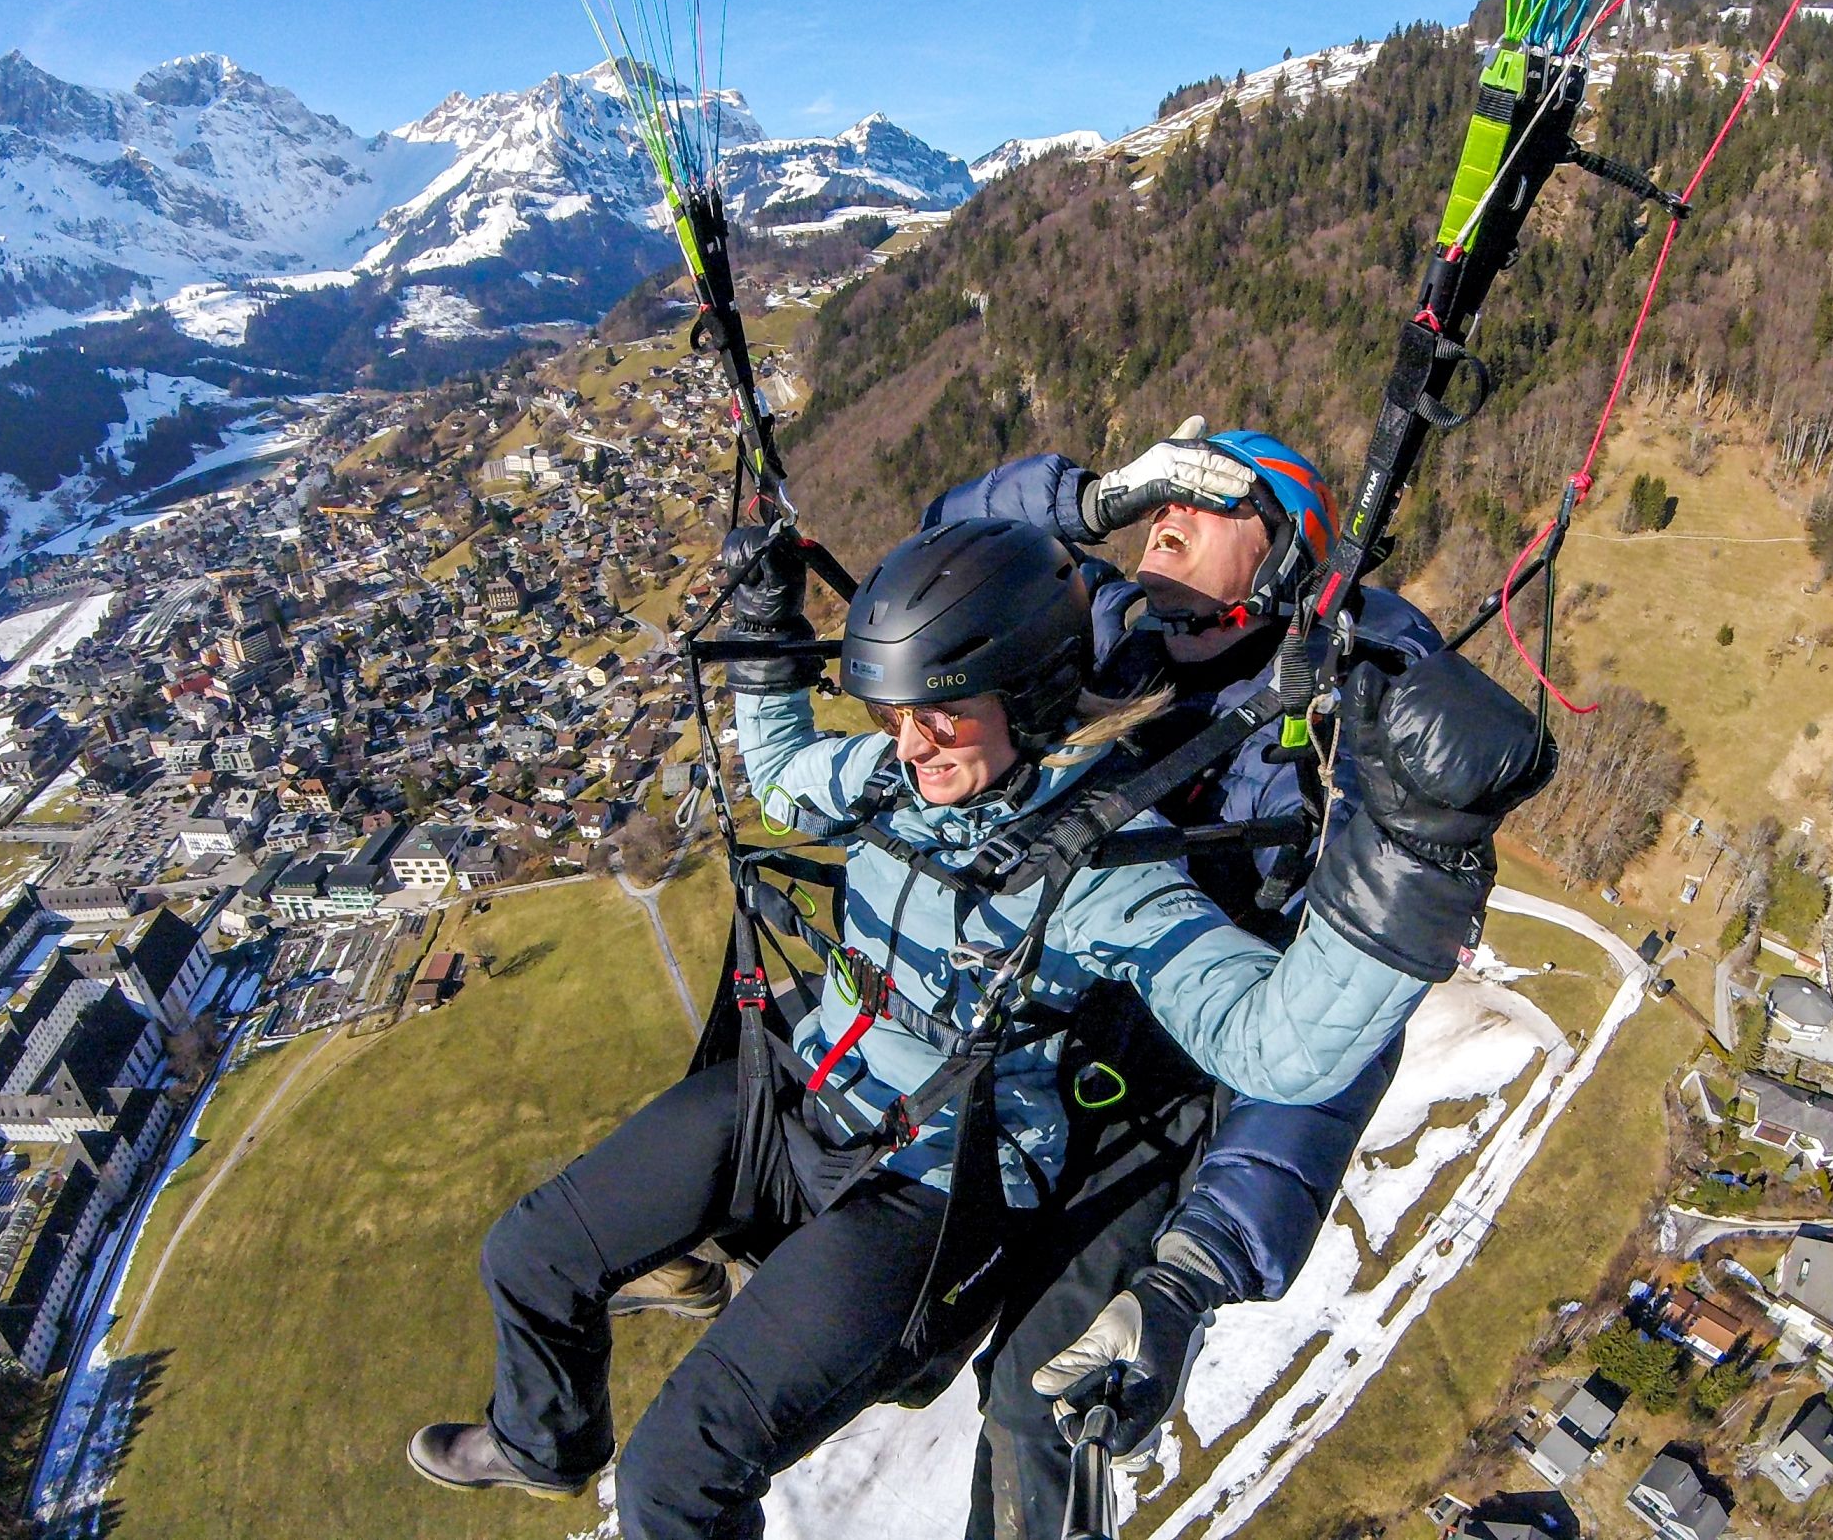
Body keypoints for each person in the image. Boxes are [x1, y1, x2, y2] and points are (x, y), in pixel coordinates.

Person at [407, 515, 1548, 1540]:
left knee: (672, 1483)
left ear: (1032, 695)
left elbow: (1275, 1046)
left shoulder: (1103, 871)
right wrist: (765, 635)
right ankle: (546, 1439)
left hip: (929, 1186)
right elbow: (793, 782)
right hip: (800, 1087)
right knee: (529, 1252)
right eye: (896, 715)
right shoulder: (903, 777)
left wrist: (1420, 852)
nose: (911, 743)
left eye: (941, 715)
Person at [926, 422, 1512, 1537]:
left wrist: (1191, 1271)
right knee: (933, 1341)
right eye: (1160, 500)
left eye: (1213, 502)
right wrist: (1090, 498)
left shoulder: (1328, 751)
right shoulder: (1098, 636)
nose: (1169, 517)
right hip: (1034, 1056)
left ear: (1288, 554)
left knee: (1035, 1402)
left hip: (1165, 1101)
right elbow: (945, 564)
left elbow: (1326, 1035)